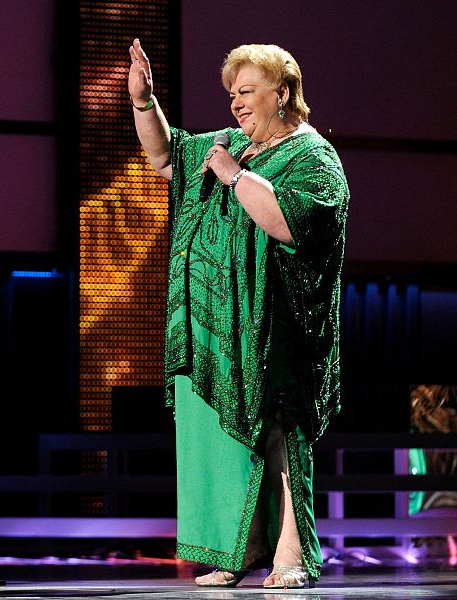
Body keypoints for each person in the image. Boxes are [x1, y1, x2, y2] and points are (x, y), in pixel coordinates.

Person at [128, 39, 349, 588]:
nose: (235, 105)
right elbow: (166, 156)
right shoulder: (231, 145)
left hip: (277, 334)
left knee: (277, 437)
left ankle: (291, 557)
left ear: (283, 92)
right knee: (226, 441)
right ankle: (238, 548)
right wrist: (144, 101)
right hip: (220, 332)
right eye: (231, 95)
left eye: (246, 92)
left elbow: (287, 222)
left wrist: (232, 175)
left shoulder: (314, 160)